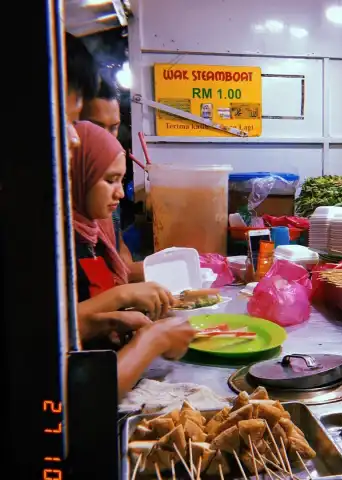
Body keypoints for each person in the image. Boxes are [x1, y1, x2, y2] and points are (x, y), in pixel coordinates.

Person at [65, 34, 196, 398]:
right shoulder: (46, 235)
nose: (78, 139)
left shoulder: (89, 226)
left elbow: (69, 322)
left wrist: (113, 312)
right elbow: (69, 391)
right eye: (74, 121)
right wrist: (151, 339)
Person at [80, 75, 144, 281]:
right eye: (96, 126)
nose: (108, 138)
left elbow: (118, 247)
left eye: (114, 127)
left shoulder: (108, 191)